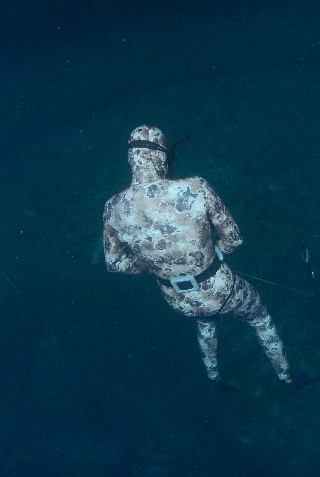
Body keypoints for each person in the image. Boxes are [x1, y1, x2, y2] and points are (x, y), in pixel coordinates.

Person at [103, 125, 293, 385]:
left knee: (204, 318)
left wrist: (151, 265)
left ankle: (214, 376)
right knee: (259, 317)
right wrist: (217, 251)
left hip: (178, 300)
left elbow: (115, 263)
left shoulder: (112, 208)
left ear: (130, 158)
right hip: (221, 289)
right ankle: (285, 375)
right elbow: (234, 239)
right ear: (163, 157)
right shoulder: (195, 187)